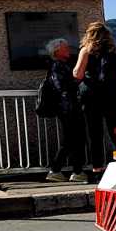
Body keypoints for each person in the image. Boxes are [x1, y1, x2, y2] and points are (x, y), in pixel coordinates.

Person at [73, 21, 116, 176]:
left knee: (95, 133)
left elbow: (78, 74)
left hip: (92, 98)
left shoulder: (86, 51)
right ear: (108, 35)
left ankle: (98, 168)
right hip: (113, 97)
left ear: (89, 35)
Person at [41, 37, 85, 183]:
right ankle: (63, 170)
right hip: (68, 108)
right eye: (65, 47)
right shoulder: (57, 66)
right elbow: (61, 86)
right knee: (73, 139)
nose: (68, 49)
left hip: (68, 107)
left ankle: (72, 171)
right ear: (57, 51)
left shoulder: (62, 65)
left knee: (73, 139)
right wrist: (78, 80)